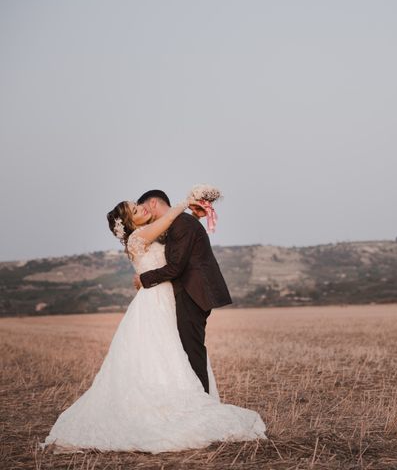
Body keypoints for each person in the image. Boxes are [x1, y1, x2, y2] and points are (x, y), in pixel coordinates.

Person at [42, 193, 266, 453]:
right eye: (135, 210)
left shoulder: (151, 234)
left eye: (139, 205)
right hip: (155, 301)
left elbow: (176, 239)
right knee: (163, 353)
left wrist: (193, 215)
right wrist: (189, 199)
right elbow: (170, 218)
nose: (142, 209)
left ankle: (192, 400)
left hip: (167, 298)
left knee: (176, 353)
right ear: (129, 223)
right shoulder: (138, 237)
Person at [133, 189, 232, 394]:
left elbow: (176, 267)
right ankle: (197, 400)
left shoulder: (181, 224)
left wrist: (144, 278)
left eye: (142, 207)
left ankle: (204, 404)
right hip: (187, 294)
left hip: (192, 294)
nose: (142, 212)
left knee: (192, 352)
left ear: (152, 203)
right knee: (187, 351)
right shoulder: (178, 224)